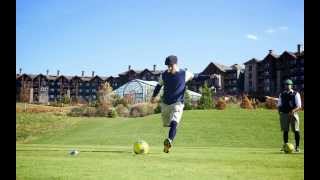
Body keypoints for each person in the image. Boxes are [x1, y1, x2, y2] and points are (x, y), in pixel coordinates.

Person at [150, 55, 214, 153]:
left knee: (174, 122)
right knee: (167, 124)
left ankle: (169, 140)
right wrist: (153, 96)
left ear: (176, 64)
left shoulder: (184, 73)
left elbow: (197, 77)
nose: (169, 68)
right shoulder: (164, 75)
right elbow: (158, 86)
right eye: (168, 66)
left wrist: (209, 76)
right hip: (166, 104)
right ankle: (167, 144)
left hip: (178, 103)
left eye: (171, 66)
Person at [277, 79, 302, 152]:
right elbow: (279, 104)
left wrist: (292, 111)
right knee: (285, 131)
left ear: (291, 85)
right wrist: (279, 113)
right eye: (286, 84)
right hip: (284, 114)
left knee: (296, 130)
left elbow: (299, 106)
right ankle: (285, 146)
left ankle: (297, 147)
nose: (287, 86)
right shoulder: (282, 94)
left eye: (289, 84)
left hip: (293, 114)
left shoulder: (296, 94)